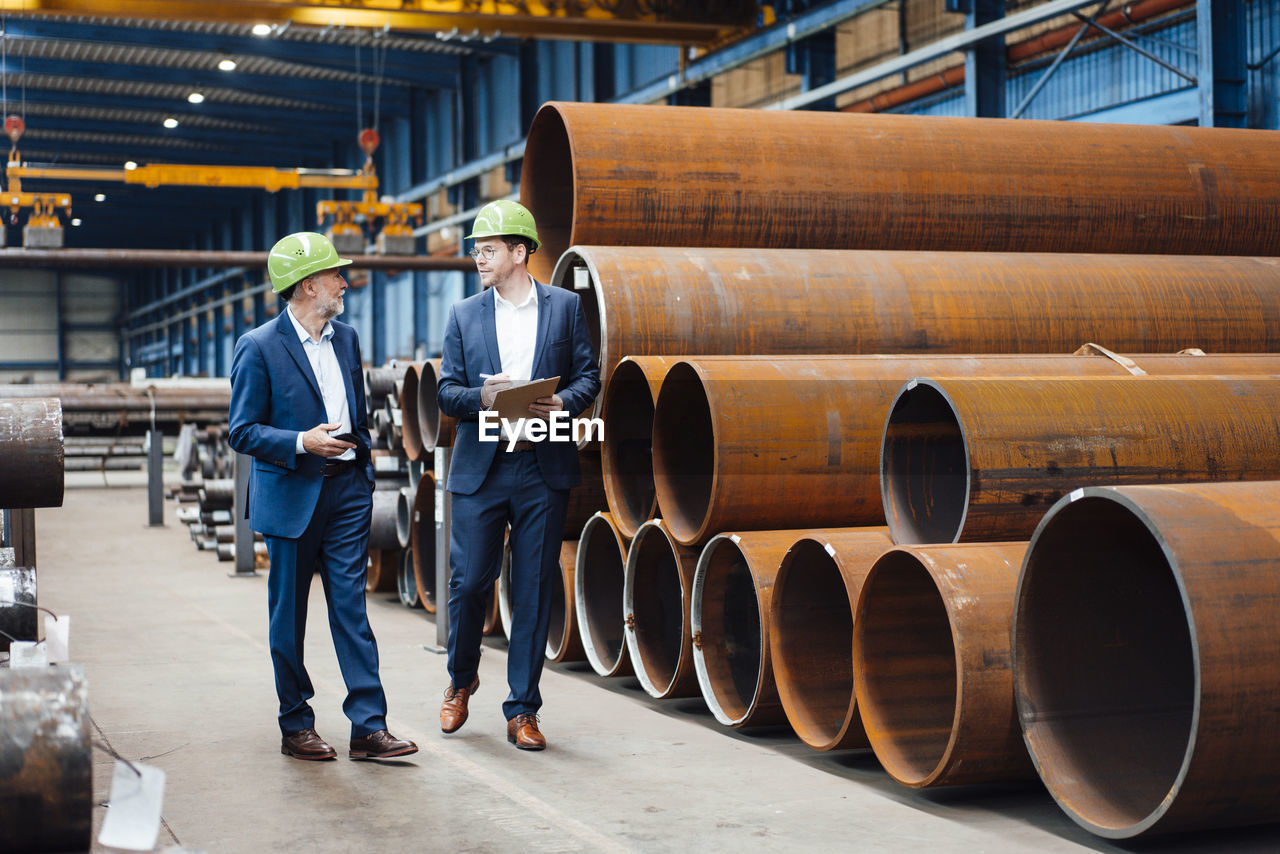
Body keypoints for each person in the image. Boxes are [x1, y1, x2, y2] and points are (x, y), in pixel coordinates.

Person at [228, 231, 417, 762]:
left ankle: (369, 726)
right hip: (292, 497)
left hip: (348, 494)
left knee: (351, 610)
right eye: (336, 274)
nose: (344, 282)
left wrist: (363, 466)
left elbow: (355, 412)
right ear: (309, 285)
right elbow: (241, 430)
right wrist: (300, 442)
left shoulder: (346, 338)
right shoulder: (260, 346)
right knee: (288, 617)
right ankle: (296, 725)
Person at [436, 200, 600, 750]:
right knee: (468, 584)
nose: (479, 258)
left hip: (541, 466)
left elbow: (587, 376)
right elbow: (446, 392)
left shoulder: (564, 308)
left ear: (520, 251)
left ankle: (523, 710)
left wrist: (562, 406)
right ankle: (461, 682)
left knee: (532, 589)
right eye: (477, 250)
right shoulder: (464, 315)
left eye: (488, 250)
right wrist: (484, 395)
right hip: (482, 468)